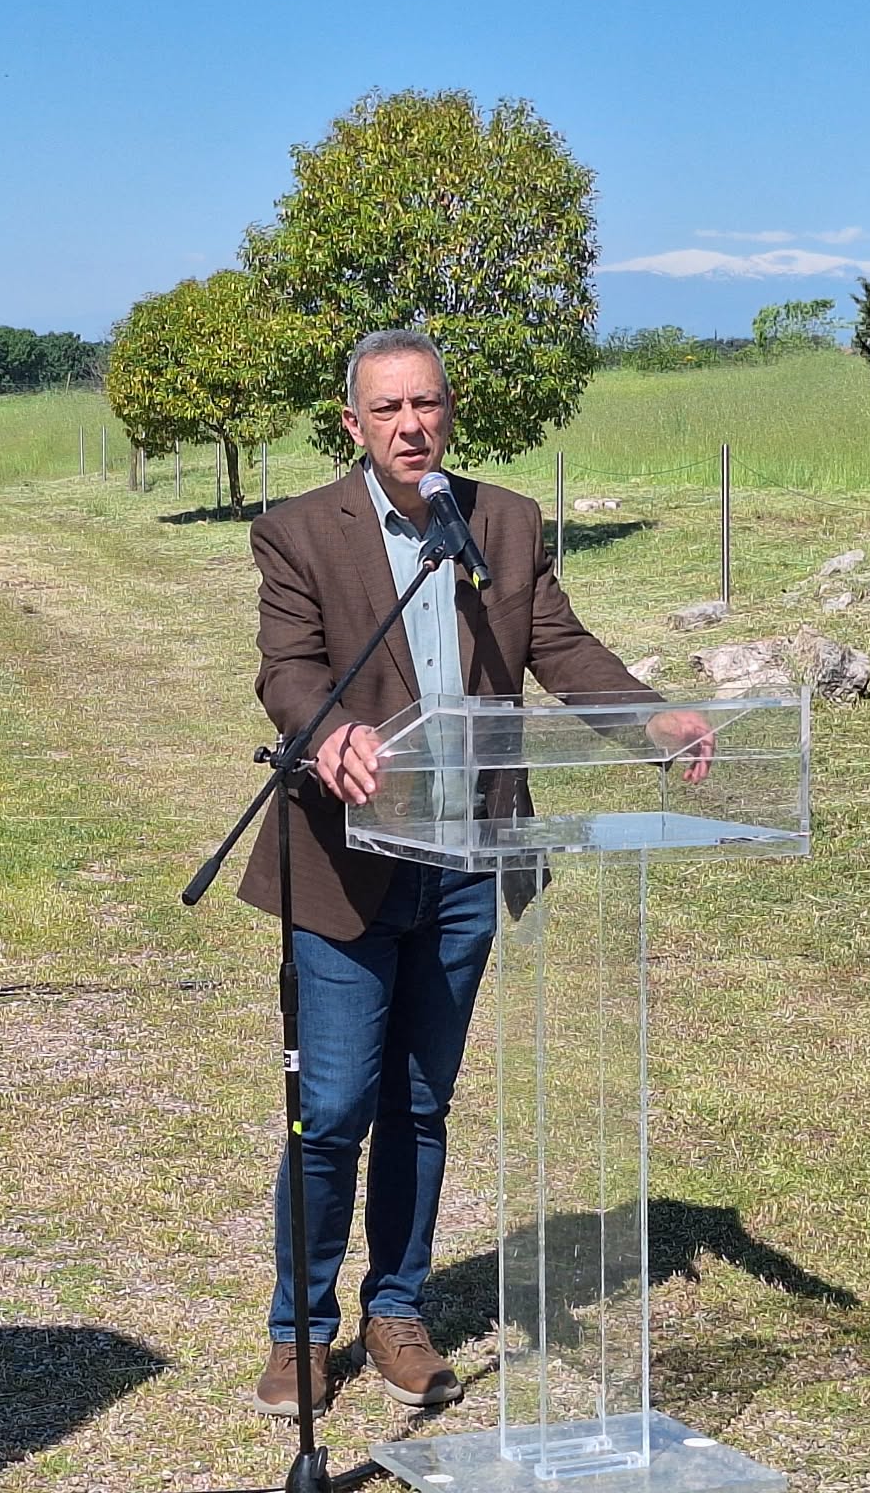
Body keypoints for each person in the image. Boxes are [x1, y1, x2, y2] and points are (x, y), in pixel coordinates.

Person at [236, 330, 713, 1418]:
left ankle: (395, 1312)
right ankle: (298, 1328)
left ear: (450, 412)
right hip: (348, 862)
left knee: (418, 1100)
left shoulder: (500, 523)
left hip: (466, 859)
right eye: (387, 409)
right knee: (334, 1099)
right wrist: (325, 736)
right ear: (349, 422)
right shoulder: (298, 531)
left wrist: (649, 716)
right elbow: (289, 666)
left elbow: (559, 645)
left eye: (428, 405)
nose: (412, 426)